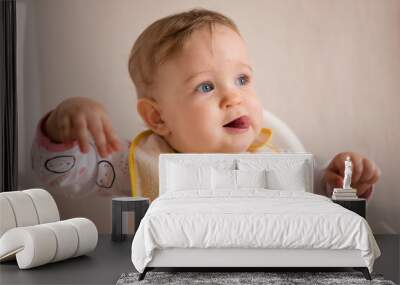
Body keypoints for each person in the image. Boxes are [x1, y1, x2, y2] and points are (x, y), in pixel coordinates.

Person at [31, 9, 380, 202]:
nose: (234, 98)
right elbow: (59, 176)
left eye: (242, 79)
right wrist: (61, 127)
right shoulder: (135, 163)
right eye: (206, 86)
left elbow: (325, 192)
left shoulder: (278, 158)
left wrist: (343, 177)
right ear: (158, 117)